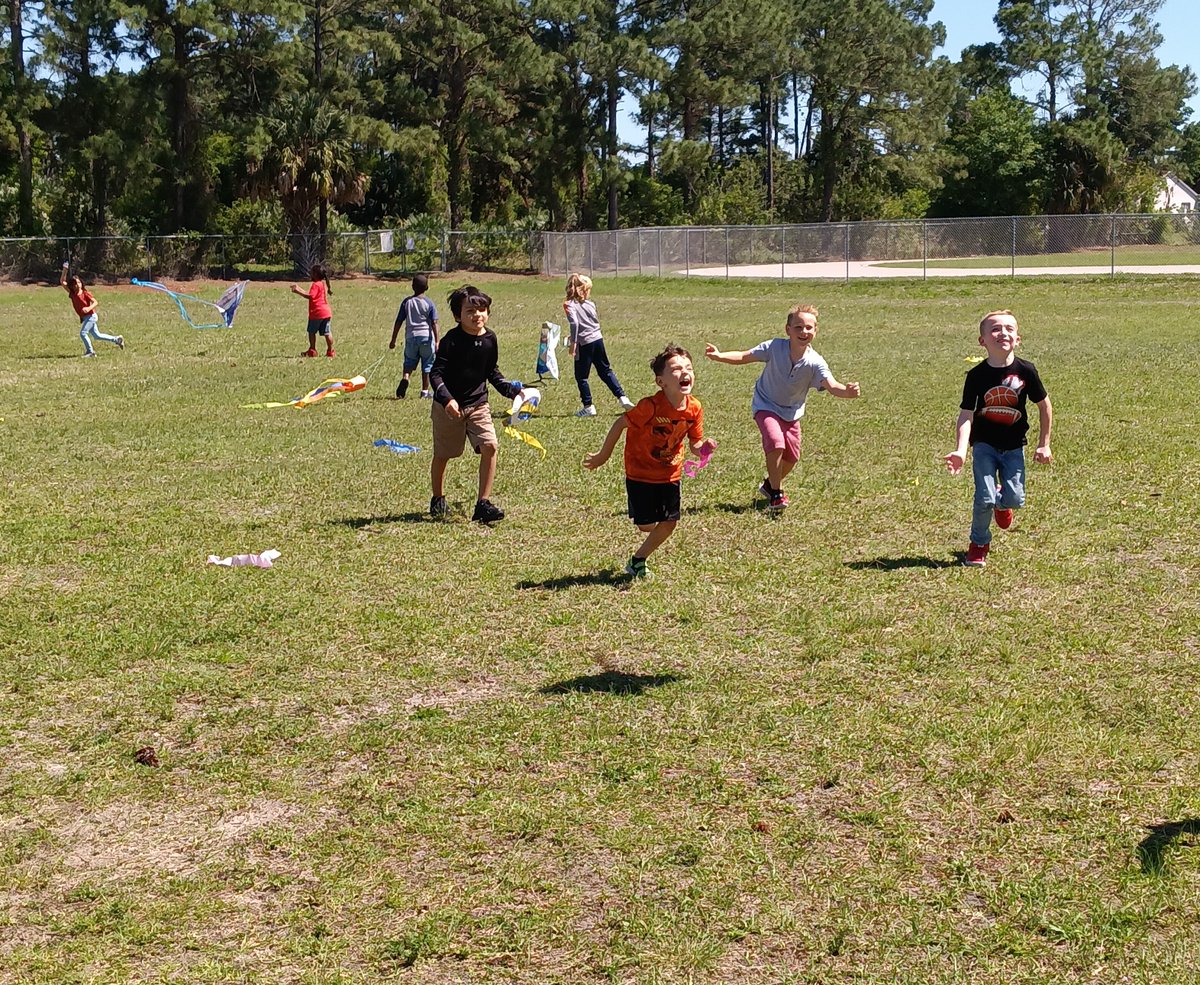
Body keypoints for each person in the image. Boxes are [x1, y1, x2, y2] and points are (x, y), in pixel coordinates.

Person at [704, 303, 859, 512]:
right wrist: (720, 355)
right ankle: (776, 494)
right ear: (788, 330)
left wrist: (847, 391)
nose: (803, 332)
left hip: (791, 412)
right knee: (776, 443)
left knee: (792, 458)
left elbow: (832, 386)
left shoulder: (815, 362)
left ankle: (769, 485)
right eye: (798, 327)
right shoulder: (774, 347)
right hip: (765, 404)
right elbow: (744, 356)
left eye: (808, 328)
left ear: (815, 331)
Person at [583, 344, 715, 578]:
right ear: (660, 382)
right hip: (639, 472)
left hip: (669, 474)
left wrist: (703, 449)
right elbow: (621, 423)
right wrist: (603, 455)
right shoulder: (650, 406)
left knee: (669, 522)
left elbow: (695, 445)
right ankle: (648, 533)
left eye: (689, 368)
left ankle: (638, 560)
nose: (684, 372)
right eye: (675, 369)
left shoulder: (694, 408)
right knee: (645, 524)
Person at [944, 309, 1052, 567]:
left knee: (1016, 498)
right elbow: (966, 414)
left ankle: (1003, 504)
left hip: (1014, 446)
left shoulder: (1026, 370)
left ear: (1018, 338)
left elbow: (1044, 406)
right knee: (983, 498)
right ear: (982, 341)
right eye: (994, 329)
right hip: (984, 446)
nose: (1002, 332)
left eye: (1008, 329)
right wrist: (961, 450)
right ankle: (978, 544)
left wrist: (1044, 444)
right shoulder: (976, 376)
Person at [428, 285, 525, 524]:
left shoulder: (490, 339)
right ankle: (438, 498)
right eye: (470, 310)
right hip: (449, 408)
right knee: (444, 454)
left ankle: (483, 503)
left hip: (479, 404)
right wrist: (447, 398)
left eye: (482, 309)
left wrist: (512, 392)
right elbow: (436, 373)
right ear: (457, 316)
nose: (477, 315)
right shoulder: (451, 340)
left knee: (490, 446)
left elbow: (491, 372)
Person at [563, 273, 635, 417]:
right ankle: (623, 398)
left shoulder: (568, 305)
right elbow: (589, 324)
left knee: (581, 377)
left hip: (584, 344)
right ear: (583, 290)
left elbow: (575, 323)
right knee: (606, 371)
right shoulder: (590, 304)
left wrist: (574, 342)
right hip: (598, 340)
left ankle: (588, 406)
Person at [390, 272, 440, 399]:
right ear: (427, 287)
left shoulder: (407, 302)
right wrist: (437, 341)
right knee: (427, 364)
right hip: (426, 338)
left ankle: (406, 378)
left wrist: (393, 340)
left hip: (411, 337)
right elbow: (434, 323)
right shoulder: (429, 303)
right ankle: (424, 392)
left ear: (412, 286)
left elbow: (399, 321)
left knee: (409, 362)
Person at [61, 262, 123, 357]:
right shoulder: (72, 294)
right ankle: (117, 339)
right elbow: (62, 282)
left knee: (83, 334)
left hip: (91, 316)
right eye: (75, 283)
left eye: (78, 282)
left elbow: (95, 302)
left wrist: (88, 308)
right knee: (97, 335)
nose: (77, 285)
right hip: (86, 318)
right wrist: (65, 269)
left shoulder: (85, 293)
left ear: (81, 283)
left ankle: (90, 352)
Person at [290, 263, 334, 357]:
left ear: (315, 274)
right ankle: (330, 351)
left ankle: (312, 350)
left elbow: (311, 296)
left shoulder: (315, 285)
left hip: (316, 313)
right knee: (327, 332)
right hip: (326, 312)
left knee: (312, 332)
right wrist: (299, 288)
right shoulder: (323, 284)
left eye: (312, 272)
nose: (310, 273)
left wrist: (298, 291)